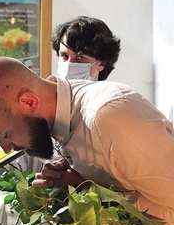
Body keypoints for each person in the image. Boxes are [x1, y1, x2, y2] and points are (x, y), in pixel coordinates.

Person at [0, 56, 174, 225]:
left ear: (29, 102)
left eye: (5, 135)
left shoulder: (108, 116)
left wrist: (90, 190)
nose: (7, 149)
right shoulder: (62, 117)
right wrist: (74, 183)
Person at [17, 16, 122, 173]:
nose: (69, 65)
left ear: (101, 64)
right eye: (64, 56)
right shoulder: (42, 104)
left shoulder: (110, 107)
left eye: (80, 58)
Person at [52, 16, 121, 81]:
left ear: (102, 63)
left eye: (79, 57)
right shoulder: (47, 91)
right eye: (64, 56)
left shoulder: (114, 93)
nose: (69, 64)